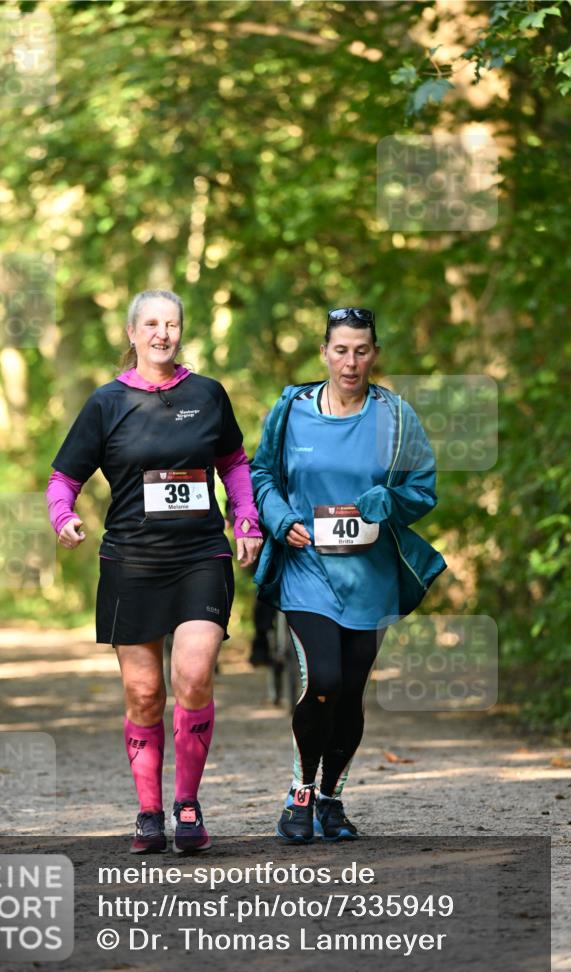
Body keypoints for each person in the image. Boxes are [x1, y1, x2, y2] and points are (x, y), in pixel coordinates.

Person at [47, 290, 262, 854]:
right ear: (132, 333)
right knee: (144, 693)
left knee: (193, 677)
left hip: (200, 557)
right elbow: (63, 478)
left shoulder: (208, 394)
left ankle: (187, 804)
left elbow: (235, 464)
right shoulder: (106, 402)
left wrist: (247, 520)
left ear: (180, 331)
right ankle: (148, 812)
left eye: (171, 324)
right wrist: (63, 516)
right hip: (132, 562)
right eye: (151, 324)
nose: (162, 333)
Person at [251, 307, 446, 843]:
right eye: (341, 350)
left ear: (374, 354)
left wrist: (392, 500)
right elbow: (260, 473)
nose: (351, 362)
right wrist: (279, 518)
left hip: (371, 576)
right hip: (306, 569)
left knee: (352, 691)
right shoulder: (292, 409)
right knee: (324, 681)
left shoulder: (396, 417)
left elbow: (423, 489)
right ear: (324, 353)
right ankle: (299, 794)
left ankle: (332, 799)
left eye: (361, 350)